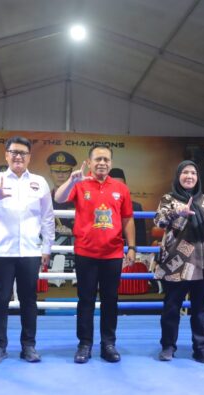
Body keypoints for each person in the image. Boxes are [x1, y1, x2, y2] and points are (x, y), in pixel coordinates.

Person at [0, 136, 55, 364]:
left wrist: (47, 247)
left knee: (29, 300)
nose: (18, 156)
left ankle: (28, 346)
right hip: (2, 251)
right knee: (0, 300)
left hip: (30, 251)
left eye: (23, 153)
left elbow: (48, 217)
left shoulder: (39, 182)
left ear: (29, 157)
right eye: (14, 152)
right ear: (6, 155)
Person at [55, 144, 136, 363]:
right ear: (89, 162)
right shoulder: (80, 184)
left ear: (111, 163)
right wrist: (72, 180)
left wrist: (132, 247)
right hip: (86, 253)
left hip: (113, 254)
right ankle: (84, 344)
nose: (102, 163)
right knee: (86, 300)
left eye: (106, 159)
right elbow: (59, 198)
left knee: (110, 300)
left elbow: (127, 218)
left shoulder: (121, 188)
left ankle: (108, 344)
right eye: (98, 159)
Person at [153, 161, 204, 364]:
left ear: (197, 177)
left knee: (201, 309)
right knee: (171, 307)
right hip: (175, 263)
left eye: (193, 172)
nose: (189, 176)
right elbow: (158, 221)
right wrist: (178, 212)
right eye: (185, 172)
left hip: (203, 263)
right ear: (178, 176)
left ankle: (201, 349)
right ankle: (168, 346)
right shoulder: (168, 199)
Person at [109, 168, 148, 246]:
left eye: (120, 185)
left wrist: (133, 250)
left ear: (125, 186)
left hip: (129, 249)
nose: (117, 188)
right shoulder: (100, 207)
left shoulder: (136, 207)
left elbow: (141, 238)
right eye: (113, 185)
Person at [47, 151, 77, 243]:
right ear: (50, 173)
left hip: (73, 247)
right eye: (56, 171)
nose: (60, 175)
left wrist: (72, 231)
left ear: (71, 174)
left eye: (65, 171)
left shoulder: (78, 199)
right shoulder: (44, 199)